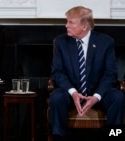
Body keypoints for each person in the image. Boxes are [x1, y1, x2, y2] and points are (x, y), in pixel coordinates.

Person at [49, 6, 124, 141]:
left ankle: (115, 136)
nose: (66, 25)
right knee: (56, 97)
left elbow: (110, 74)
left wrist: (96, 96)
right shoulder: (61, 42)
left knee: (118, 98)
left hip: (98, 92)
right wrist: (73, 92)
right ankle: (58, 137)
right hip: (70, 93)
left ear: (84, 26)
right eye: (67, 22)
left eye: (71, 22)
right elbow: (57, 72)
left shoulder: (106, 42)